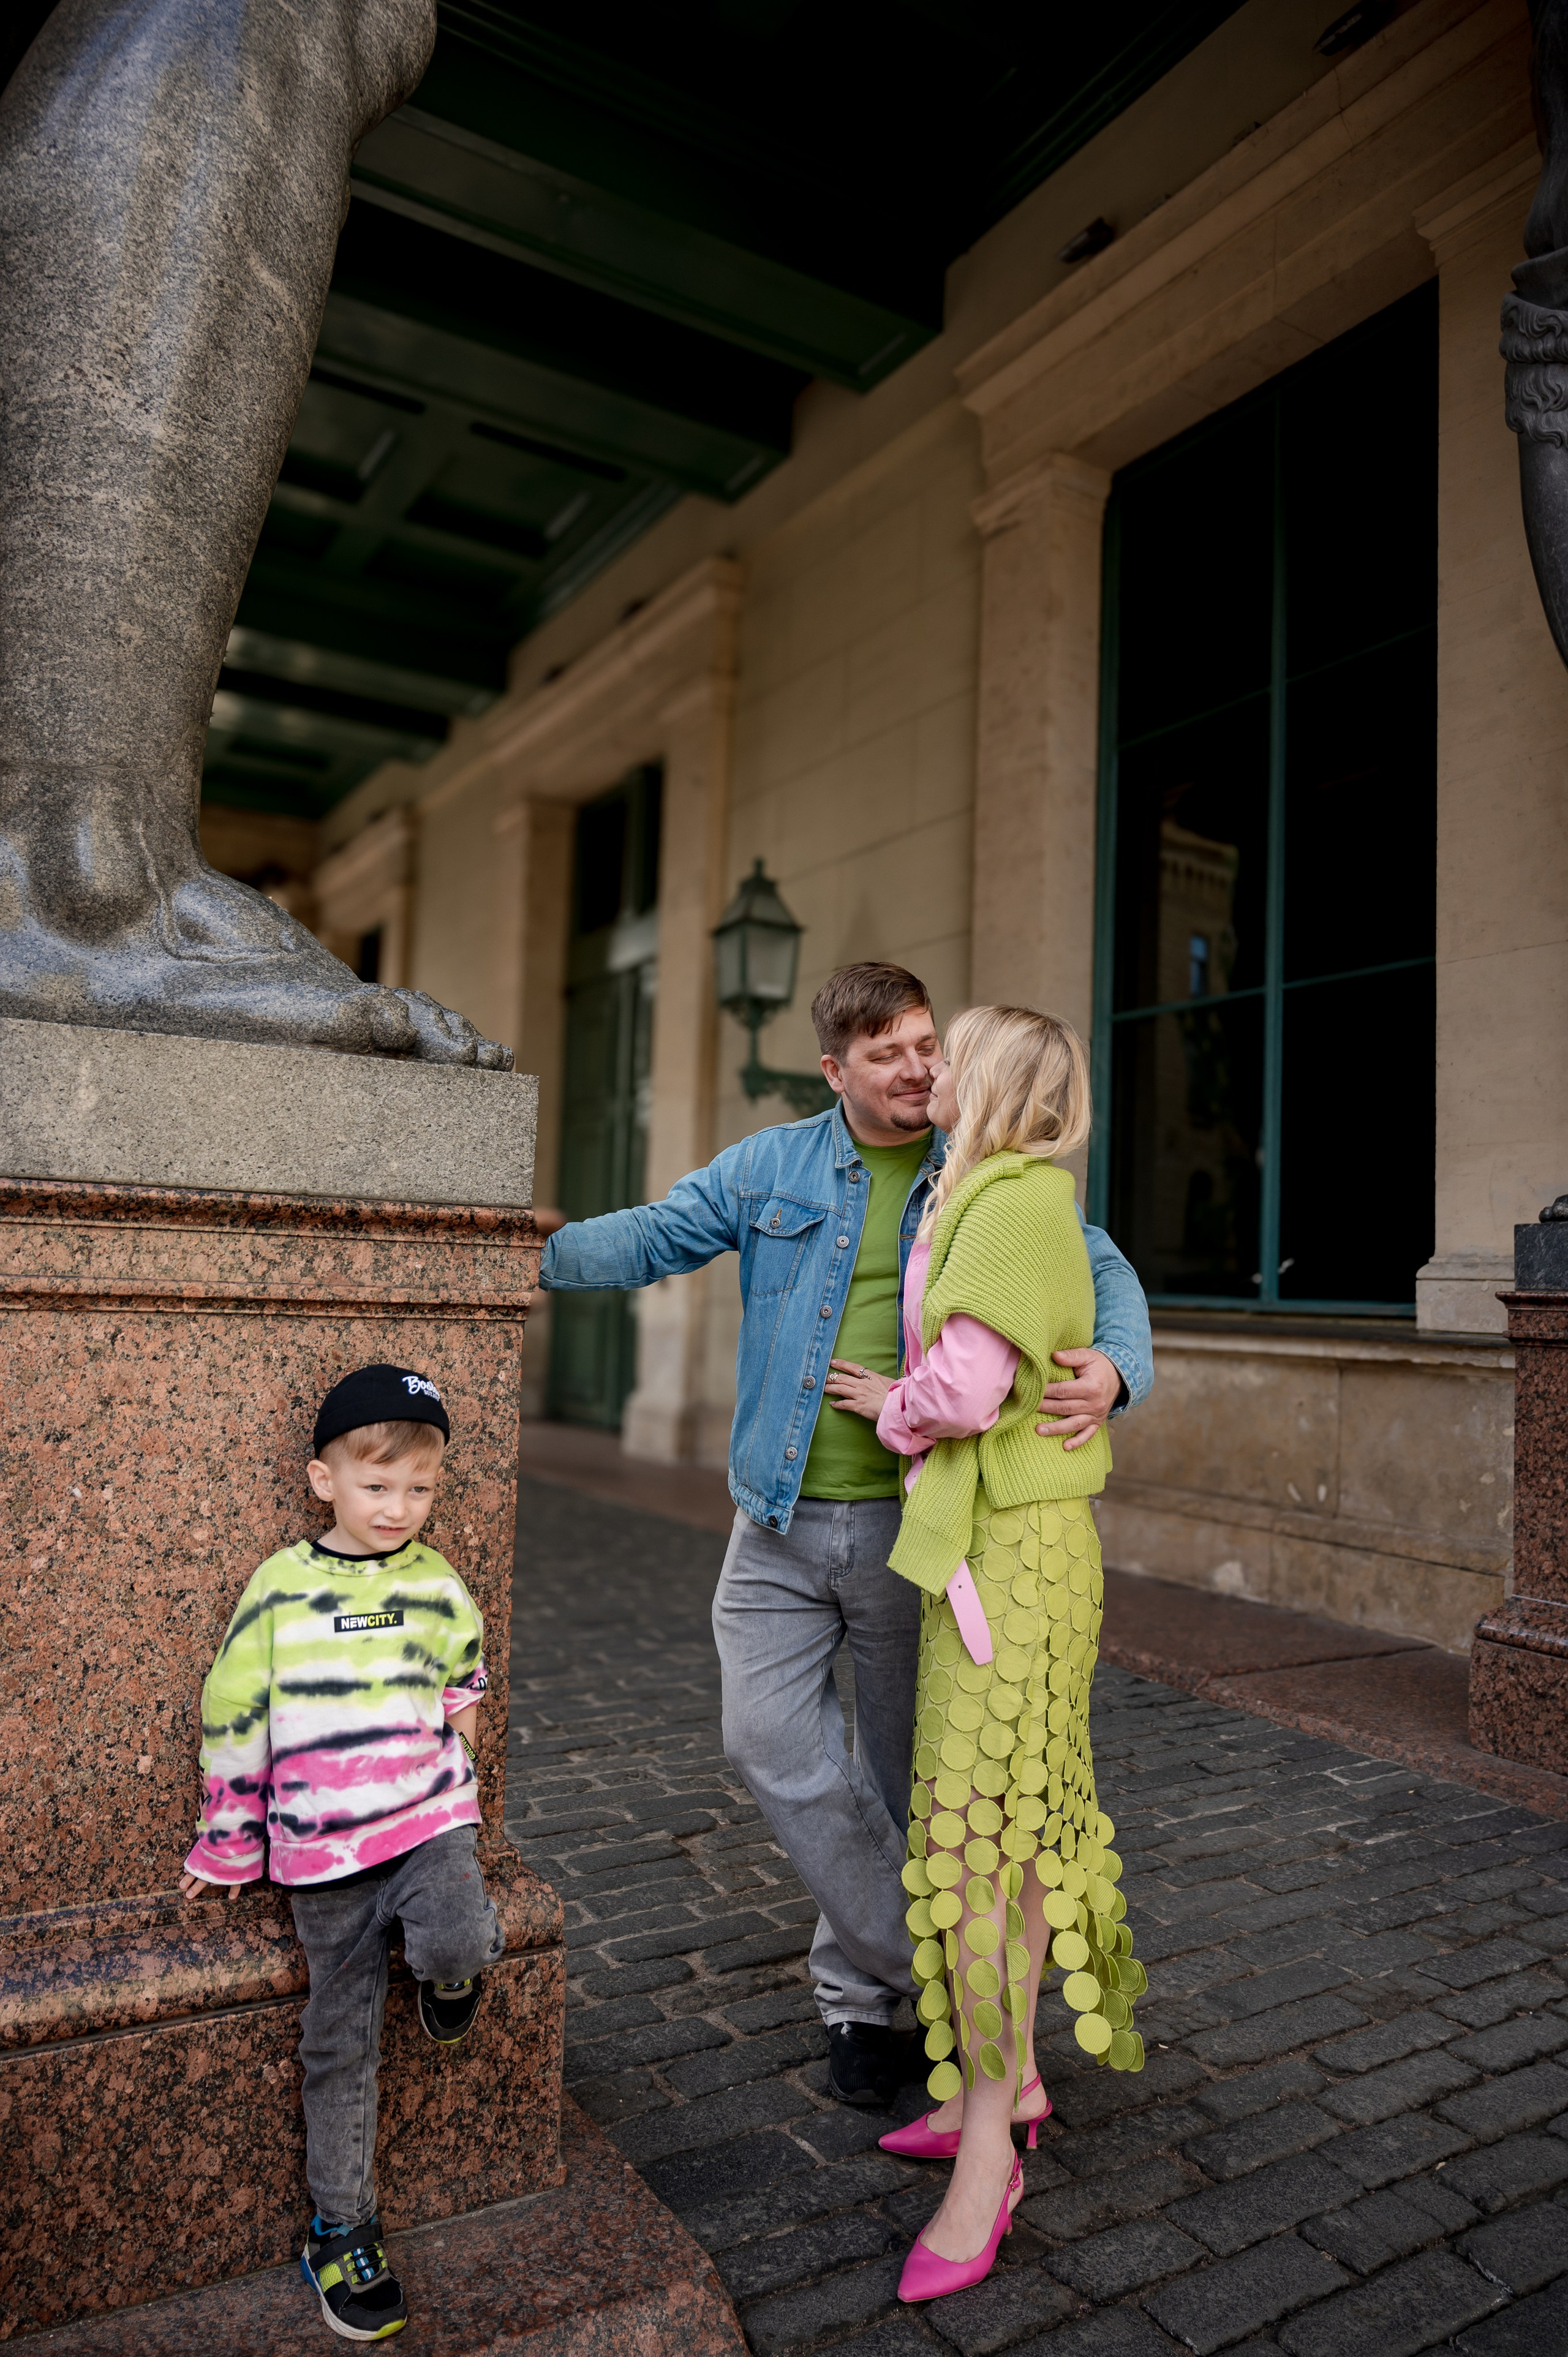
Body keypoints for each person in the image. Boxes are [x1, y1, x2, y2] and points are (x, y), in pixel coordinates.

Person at [538, 962, 1152, 2107]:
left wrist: (1119, 1367)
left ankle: (864, 2005)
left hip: (911, 1526)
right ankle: (921, 1973)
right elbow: (655, 1236)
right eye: (890, 1054)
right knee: (768, 1743)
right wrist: (515, 1251)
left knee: (903, 1772)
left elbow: (1100, 1267)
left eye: (929, 1045)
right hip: (771, 1513)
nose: (921, 1068)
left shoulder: (977, 1164)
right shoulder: (772, 1165)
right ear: (836, 1071)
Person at [826, 1005, 1146, 2301]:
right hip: (1005, 1553)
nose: (930, 1072)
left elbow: (959, 1393)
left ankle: (985, 2158)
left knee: (970, 1844)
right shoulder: (995, 1193)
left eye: (949, 1055)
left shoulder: (1010, 1201)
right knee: (994, 1837)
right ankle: (1003, 2081)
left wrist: (893, 1410)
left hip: (1013, 1562)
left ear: (996, 1082)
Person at [178, 1363, 501, 2344]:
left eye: (420, 1488)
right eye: (377, 1485)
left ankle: (449, 1979)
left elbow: (464, 1680)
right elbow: (232, 1714)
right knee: (339, 2041)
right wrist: (228, 1842)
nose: (399, 1507)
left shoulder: (437, 1581)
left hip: (427, 1820)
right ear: (324, 1480)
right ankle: (342, 2229)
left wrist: (463, 1757)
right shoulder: (279, 1589)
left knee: (458, 1939)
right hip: (322, 1852)